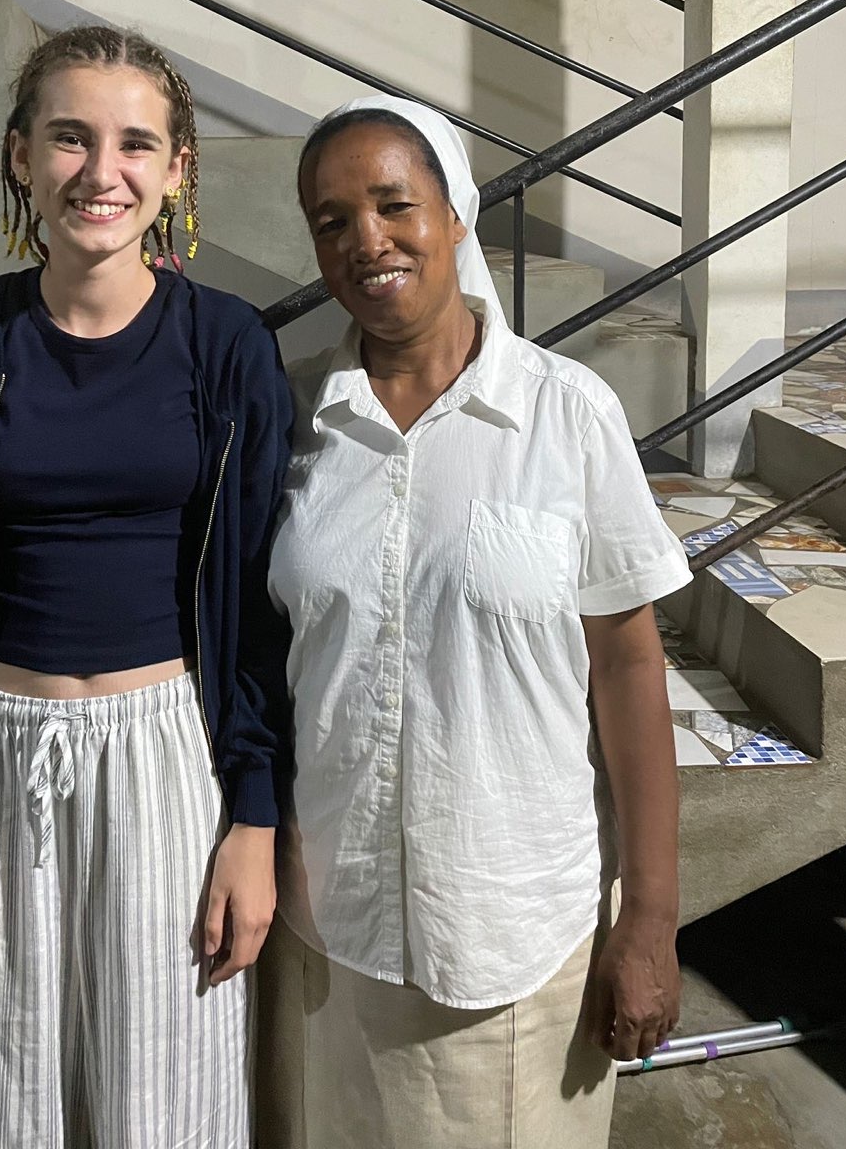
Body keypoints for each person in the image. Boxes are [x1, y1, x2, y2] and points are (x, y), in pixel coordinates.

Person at [257, 97, 691, 1149]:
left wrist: (649, 919)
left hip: (515, 936)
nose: (366, 240)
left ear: (456, 215)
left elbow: (629, 669)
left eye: (395, 205)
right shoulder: (291, 420)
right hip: (331, 933)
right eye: (331, 221)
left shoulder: (565, 414)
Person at [0, 25, 292, 1149]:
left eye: (134, 143)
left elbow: (257, 607)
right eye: (69, 138)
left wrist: (254, 818)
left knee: (168, 1101)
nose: (100, 172)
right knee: (26, 1095)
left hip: (169, 753)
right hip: (3, 754)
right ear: (21, 156)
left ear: (176, 171)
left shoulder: (227, 346)